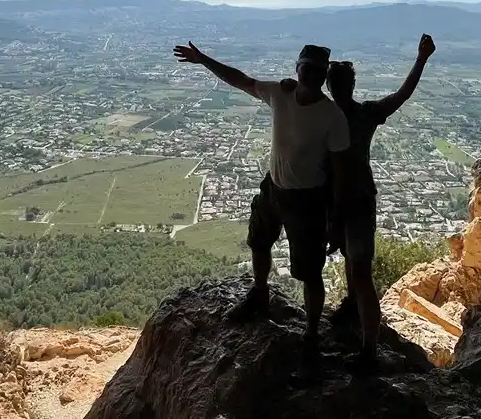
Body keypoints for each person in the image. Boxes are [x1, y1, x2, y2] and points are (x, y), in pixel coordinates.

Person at [172, 41, 350, 364]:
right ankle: (260, 293)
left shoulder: (332, 117)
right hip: (274, 189)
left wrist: (336, 221)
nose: (310, 75)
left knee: (310, 272)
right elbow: (240, 80)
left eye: (316, 71)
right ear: (297, 69)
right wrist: (202, 60)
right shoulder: (280, 94)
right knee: (258, 241)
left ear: (323, 76)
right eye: (306, 68)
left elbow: (340, 173)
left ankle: (311, 335)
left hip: (308, 201)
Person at [324, 33, 436, 372]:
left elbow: (401, 95)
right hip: (349, 200)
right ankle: (352, 306)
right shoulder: (363, 113)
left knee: (359, 269)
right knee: (353, 261)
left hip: (351, 201)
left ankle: (369, 349)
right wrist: (421, 60)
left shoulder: (332, 116)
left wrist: (421, 60)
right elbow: (401, 95)